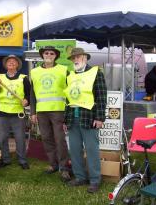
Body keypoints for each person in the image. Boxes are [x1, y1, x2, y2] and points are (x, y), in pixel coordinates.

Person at [63, 47, 107, 193]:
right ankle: (80, 177)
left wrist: (100, 117)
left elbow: (101, 97)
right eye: (73, 58)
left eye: (78, 57)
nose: (75, 60)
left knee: (91, 149)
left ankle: (95, 180)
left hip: (89, 118)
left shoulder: (96, 73)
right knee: (74, 150)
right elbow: (68, 99)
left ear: (85, 58)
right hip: (72, 118)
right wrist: (65, 120)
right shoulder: (70, 76)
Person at [30, 46, 71, 181]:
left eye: (51, 53)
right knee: (46, 138)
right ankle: (53, 164)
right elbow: (32, 93)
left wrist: (68, 111)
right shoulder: (34, 72)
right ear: (42, 55)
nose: (48, 55)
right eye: (46, 53)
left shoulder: (63, 70)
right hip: (41, 111)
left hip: (58, 110)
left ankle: (64, 168)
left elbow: (70, 91)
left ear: (55, 56)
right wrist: (33, 112)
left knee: (60, 139)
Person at [0, 55, 30, 170]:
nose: (11, 62)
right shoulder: (0, 77)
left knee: (20, 138)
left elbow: (28, 94)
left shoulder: (24, 78)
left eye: (14, 61)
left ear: (18, 65)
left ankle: (22, 160)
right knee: (3, 137)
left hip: (18, 113)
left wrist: (26, 102)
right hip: (3, 113)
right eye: (9, 61)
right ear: (5, 64)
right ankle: (5, 159)